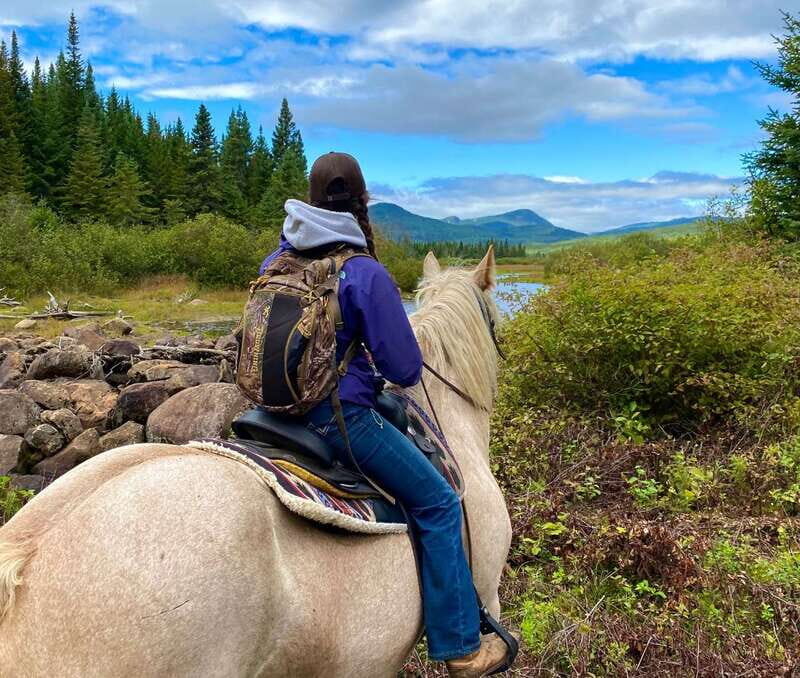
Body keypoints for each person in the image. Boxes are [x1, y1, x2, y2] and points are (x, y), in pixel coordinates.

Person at [258, 152, 511, 677]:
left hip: (270, 413)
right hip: (335, 418)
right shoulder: (362, 271)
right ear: (362, 199)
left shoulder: (277, 261)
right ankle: (462, 646)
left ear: (308, 198)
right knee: (440, 502)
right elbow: (403, 367)